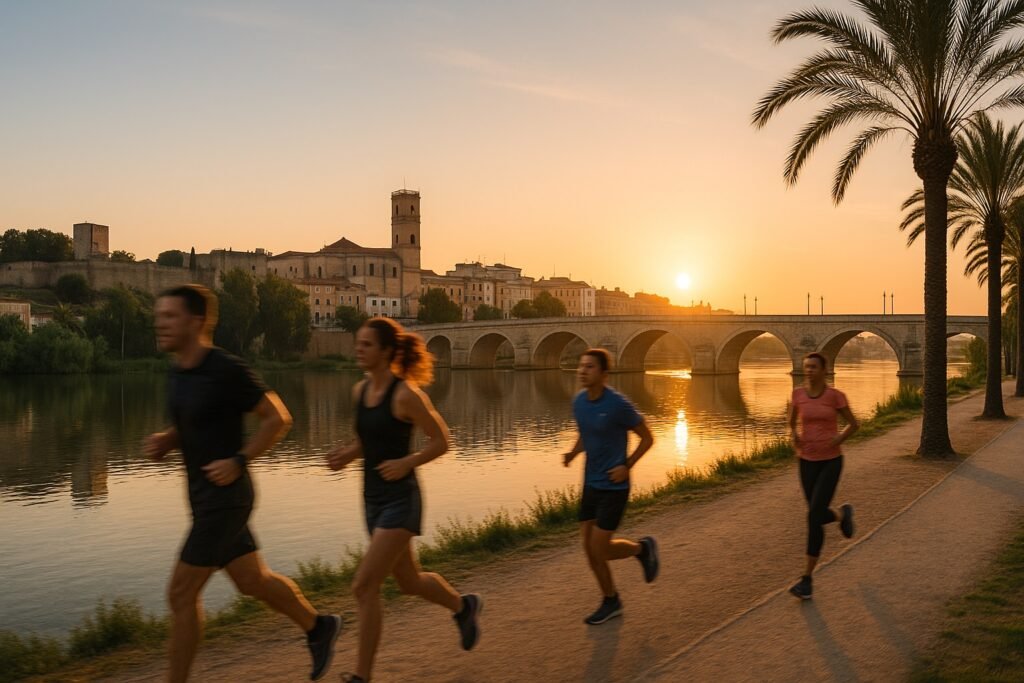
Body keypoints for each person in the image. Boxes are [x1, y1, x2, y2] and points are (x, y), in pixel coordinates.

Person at [144, 285, 341, 682]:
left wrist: (240, 460)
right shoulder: (178, 371)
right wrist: (170, 438)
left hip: (226, 500)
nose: (160, 323)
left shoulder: (225, 369)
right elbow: (196, 421)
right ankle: (319, 627)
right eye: (159, 316)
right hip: (203, 498)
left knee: (180, 594)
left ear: (196, 321)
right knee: (253, 581)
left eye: (170, 316)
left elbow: (278, 418)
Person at [327, 317, 481, 683]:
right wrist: (348, 454)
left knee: (364, 586)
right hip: (372, 499)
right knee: (409, 581)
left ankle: (361, 676)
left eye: (366, 345)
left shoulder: (406, 394)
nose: (358, 350)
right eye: (358, 343)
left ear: (386, 352)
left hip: (401, 499)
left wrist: (407, 462)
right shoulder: (359, 392)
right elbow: (371, 438)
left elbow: (442, 441)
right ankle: (463, 606)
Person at [563, 348, 659, 625]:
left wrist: (626, 466)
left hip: (615, 486)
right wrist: (573, 452)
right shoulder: (579, 402)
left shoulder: (618, 404)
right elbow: (586, 433)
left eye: (589, 367)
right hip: (590, 484)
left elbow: (647, 438)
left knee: (600, 549)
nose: (582, 371)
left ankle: (642, 550)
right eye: (581, 366)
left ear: (604, 374)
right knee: (588, 548)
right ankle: (611, 600)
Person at [787, 352, 860, 600]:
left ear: (824, 370)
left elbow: (854, 424)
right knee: (816, 516)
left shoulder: (835, 396)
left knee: (812, 515)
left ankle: (806, 579)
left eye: (814, 367)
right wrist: (793, 435)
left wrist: (839, 438)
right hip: (805, 461)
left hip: (831, 461)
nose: (809, 371)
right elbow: (791, 421)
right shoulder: (797, 394)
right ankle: (842, 514)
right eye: (806, 367)